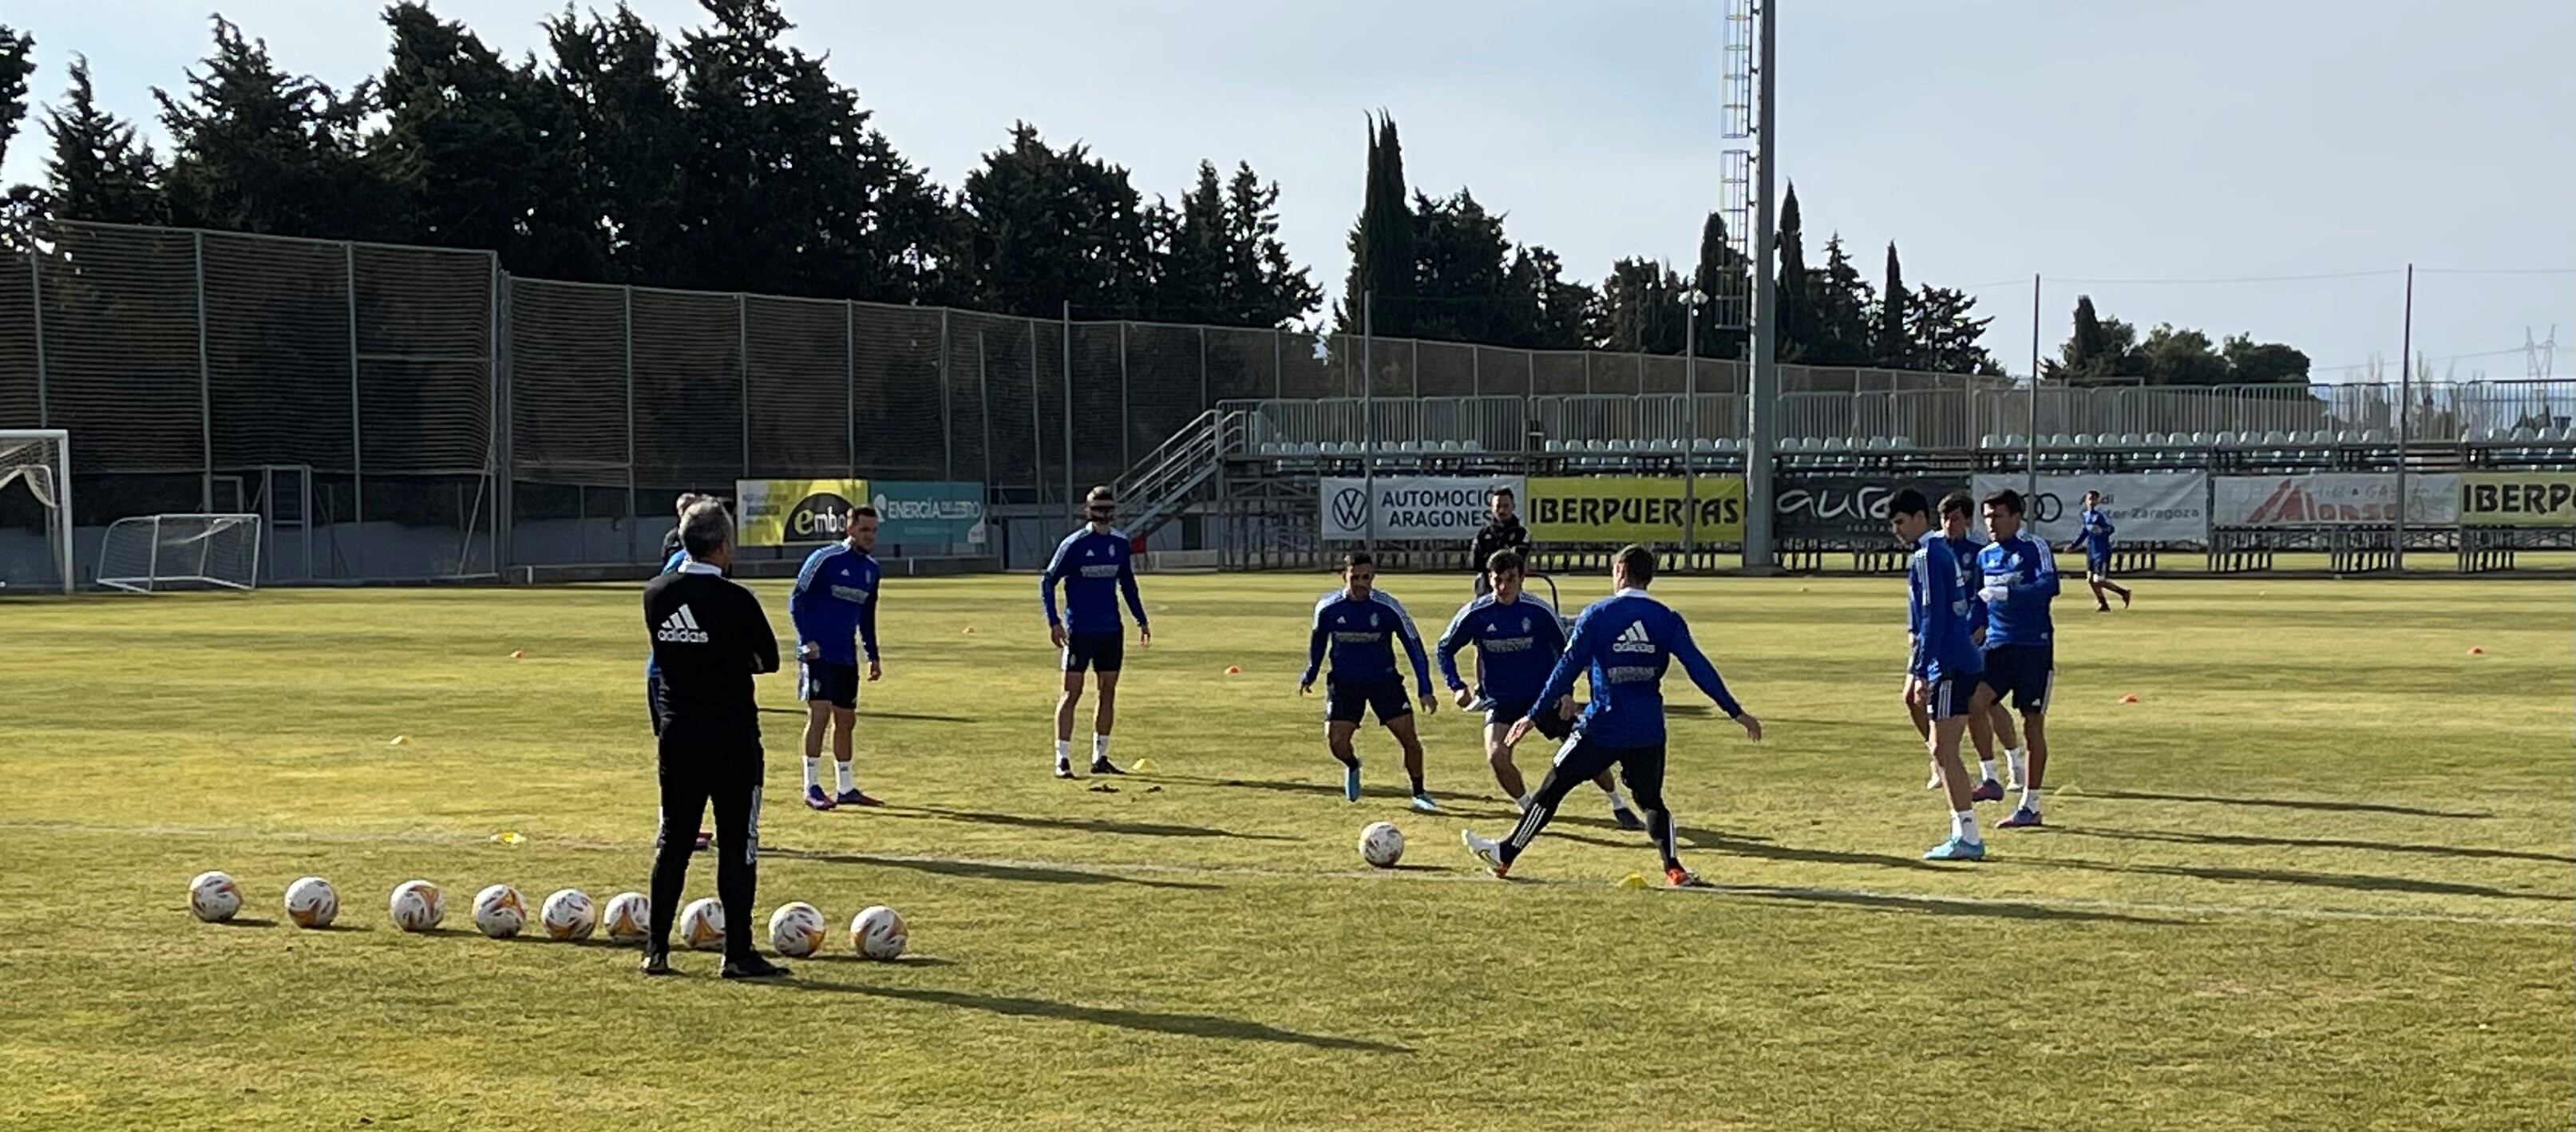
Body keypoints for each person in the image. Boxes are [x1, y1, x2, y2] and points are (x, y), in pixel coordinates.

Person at [1462, 544, 1761, 887]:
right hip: (1648, 729)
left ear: (1619, 570)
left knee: (1551, 788)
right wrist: (1736, 712)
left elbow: (1565, 669)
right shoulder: (1667, 618)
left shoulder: (1598, 614)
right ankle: (1674, 869)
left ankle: (1505, 855)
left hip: (1601, 726)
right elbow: (1699, 668)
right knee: (1651, 801)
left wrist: (1532, 715)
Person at [639, 500, 786, 979]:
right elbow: (769, 659)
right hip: (731, 736)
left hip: (677, 733)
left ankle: (655, 949)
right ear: (723, 546)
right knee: (737, 843)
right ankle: (738, 953)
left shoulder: (656, 593)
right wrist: (728, 661)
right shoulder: (737, 600)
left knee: (674, 840)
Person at [1434, 549, 1643, 829]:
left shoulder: (1539, 611)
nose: (1503, 587)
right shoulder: (1476, 614)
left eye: (1510, 579)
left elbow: (1567, 653)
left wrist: (1566, 691)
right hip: (1502, 702)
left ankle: (1617, 803)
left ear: (1522, 578)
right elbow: (1444, 648)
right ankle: (1528, 810)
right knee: (1497, 756)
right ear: (1489, 578)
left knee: (1586, 752)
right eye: (1497, 580)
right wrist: (1456, 686)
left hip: (1544, 698)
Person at [1889, 488, 1996, 862]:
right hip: (1959, 658)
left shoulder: (1926, 555)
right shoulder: (1941, 551)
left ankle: (1967, 835)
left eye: (1902, 522)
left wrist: (1921, 670)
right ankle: (1964, 831)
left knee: (1944, 750)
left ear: (1920, 517)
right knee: (1943, 748)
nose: (1899, 531)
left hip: (1948, 663)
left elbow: (1933, 617)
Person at [1298, 551, 1440, 812]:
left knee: (1409, 738)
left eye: (1367, 577)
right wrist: (1311, 672)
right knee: (1336, 742)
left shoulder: (1388, 607)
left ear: (1373, 576)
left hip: (1384, 682)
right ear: (1344, 575)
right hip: (1344, 684)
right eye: (1355, 577)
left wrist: (1425, 688)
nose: (1361, 583)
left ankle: (1419, 792)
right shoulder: (1328, 608)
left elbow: (1414, 646)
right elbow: (1318, 642)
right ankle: (1353, 764)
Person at [1040, 486, 1151, 780]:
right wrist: (1053, 621)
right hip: (1080, 631)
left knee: (1108, 690)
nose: (1104, 515)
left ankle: (1099, 756)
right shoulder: (1074, 545)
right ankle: (1062, 758)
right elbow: (1048, 581)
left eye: (1108, 509)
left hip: (1110, 630)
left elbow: (1128, 584)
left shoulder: (1120, 543)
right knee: (1072, 692)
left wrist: (1141, 619)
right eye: (1098, 509)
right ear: (1087, 511)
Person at [1913, 490, 2015, 802]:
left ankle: (2012, 763)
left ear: (1967, 521)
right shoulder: (1937, 552)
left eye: (1954, 518)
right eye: (1944, 518)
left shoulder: (1979, 553)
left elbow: (1985, 593)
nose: (1948, 524)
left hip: (1977, 638)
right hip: (1951, 639)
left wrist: (1981, 626)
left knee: (1986, 702)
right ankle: (1944, 761)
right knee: (1934, 701)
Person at [789, 506, 884, 810]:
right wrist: (807, 641)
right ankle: (811, 785)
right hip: (818, 654)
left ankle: (846, 787)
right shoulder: (826, 559)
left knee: (846, 720)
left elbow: (867, 616)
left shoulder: (871, 570)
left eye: (874, 531)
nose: (870, 536)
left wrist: (873, 654)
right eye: (864, 529)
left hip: (845, 655)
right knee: (819, 715)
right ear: (850, 529)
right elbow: (797, 599)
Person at [1979, 489, 2059, 829]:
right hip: (1996, 646)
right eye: (1986, 517)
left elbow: (2050, 586)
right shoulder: (1986, 556)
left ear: (2015, 517)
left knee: (2031, 724)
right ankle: (1990, 776)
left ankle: (2031, 804)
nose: (1991, 524)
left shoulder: (2034, 548)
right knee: (1970, 702)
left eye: (1997, 516)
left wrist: (2009, 592)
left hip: (2032, 648)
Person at [1462, 486, 1532, 710]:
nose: (1501, 510)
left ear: (1513, 507)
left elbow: (1514, 563)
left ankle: (1517, 686)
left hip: (1513, 597)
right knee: (1482, 644)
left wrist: (1496, 558)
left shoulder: (1522, 533)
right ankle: (1482, 689)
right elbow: (1476, 562)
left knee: (1516, 642)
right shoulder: (1484, 533)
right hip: (1486, 594)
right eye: (1497, 506)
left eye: (1505, 506)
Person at [2070, 489, 2132, 612]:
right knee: (2090, 579)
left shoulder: (2101, 515)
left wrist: (2103, 530)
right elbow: (2084, 532)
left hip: (2102, 551)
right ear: (2086, 501)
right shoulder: (2086, 515)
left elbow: (2111, 529)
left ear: (2098, 501)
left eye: (2094, 499)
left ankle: (2123, 593)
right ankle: (2103, 604)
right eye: (2090, 499)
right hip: (2091, 551)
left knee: (2098, 580)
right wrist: (2073, 545)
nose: (2092, 502)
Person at [659, 493, 702, 563]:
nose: (685, 512)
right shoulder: (671, 538)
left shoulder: (707, 534)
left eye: (689, 507)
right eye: (682, 508)